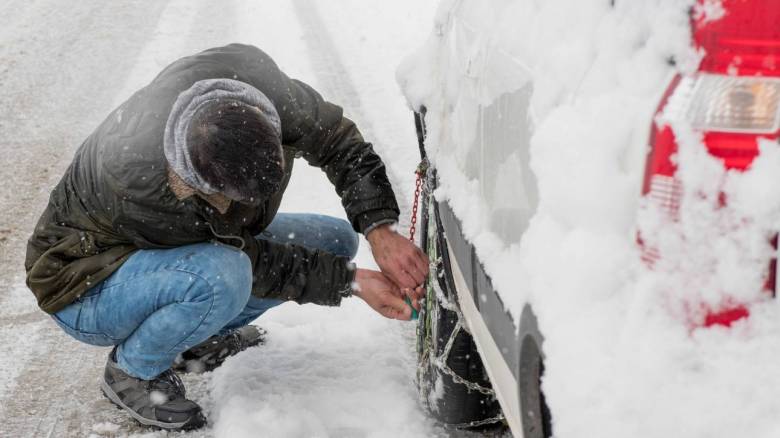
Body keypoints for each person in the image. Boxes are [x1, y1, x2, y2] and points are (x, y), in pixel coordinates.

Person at [24, 43, 429, 430]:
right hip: (86, 283)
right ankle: (133, 371)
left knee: (336, 240)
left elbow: (340, 144)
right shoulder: (140, 178)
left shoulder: (261, 89)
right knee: (223, 275)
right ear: (197, 181)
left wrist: (380, 229)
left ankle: (194, 342)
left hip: (168, 255)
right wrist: (351, 281)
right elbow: (254, 262)